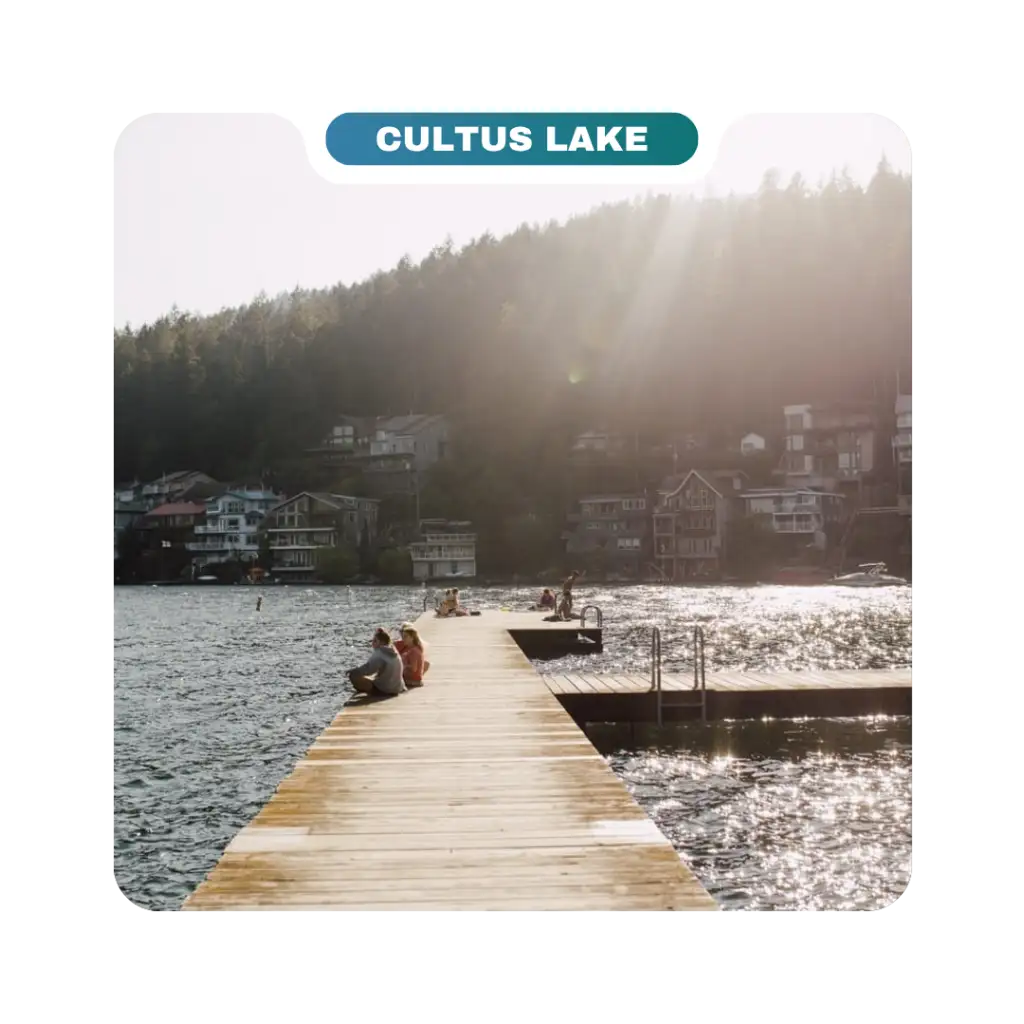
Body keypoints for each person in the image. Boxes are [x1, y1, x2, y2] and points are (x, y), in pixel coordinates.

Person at [348, 627, 406, 696]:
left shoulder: (379, 652)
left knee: (353, 675)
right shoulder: (393, 649)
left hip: (386, 689)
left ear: (382, 642)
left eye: (375, 641)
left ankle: (374, 692)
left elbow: (368, 669)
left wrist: (354, 670)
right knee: (374, 676)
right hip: (398, 687)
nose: (372, 643)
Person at [395, 623, 430, 687]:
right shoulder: (417, 647)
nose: (403, 638)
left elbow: (414, 668)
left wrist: (404, 666)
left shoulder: (413, 650)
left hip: (412, 678)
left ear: (412, 637)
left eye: (405, 636)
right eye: (403, 636)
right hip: (416, 676)